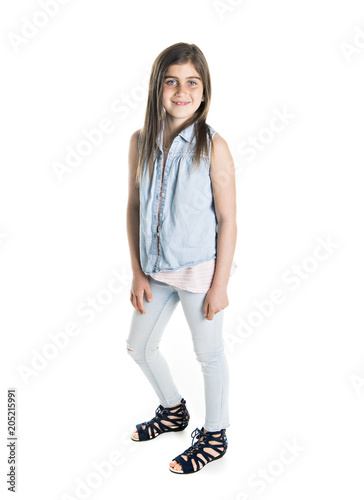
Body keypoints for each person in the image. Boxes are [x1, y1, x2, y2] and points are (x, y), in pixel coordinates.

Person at [125, 42, 237, 475]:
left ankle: (216, 434)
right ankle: (173, 411)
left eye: (192, 82)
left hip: (198, 273)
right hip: (154, 270)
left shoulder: (213, 145)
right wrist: (137, 273)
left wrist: (220, 285)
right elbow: (134, 207)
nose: (181, 90)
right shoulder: (140, 142)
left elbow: (227, 220)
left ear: (204, 92)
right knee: (139, 346)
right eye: (172, 81)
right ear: (158, 88)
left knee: (208, 355)